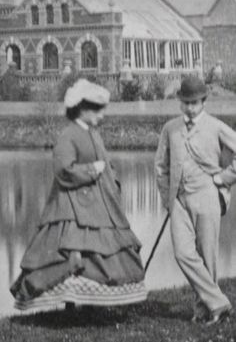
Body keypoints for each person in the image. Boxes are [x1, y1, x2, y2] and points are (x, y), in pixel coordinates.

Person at [11, 79, 147, 312]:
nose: (101, 115)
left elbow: (106, 163)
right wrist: (92, 170)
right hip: (70, 206)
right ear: (81, 109)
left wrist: (112, 182)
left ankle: (93, 301)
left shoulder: (93, 134)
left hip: (98, 204)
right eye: (95, 109)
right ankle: (70, 305)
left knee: (99, 249)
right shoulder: (69, 135)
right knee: (70, 251)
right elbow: (63, 169)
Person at [155, 76, 236, 326]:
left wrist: (224, 178)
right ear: (180, 102)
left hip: (207, 196)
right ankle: (219, 303)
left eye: (195, 103)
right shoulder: (170, 128)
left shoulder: (216, 126)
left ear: (203, 102)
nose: (190, 108)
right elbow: (160, 166)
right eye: (185, 103)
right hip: (178, 200)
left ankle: (205, 311)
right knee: (182, 253)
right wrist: (167, 198)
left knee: (207, 255)